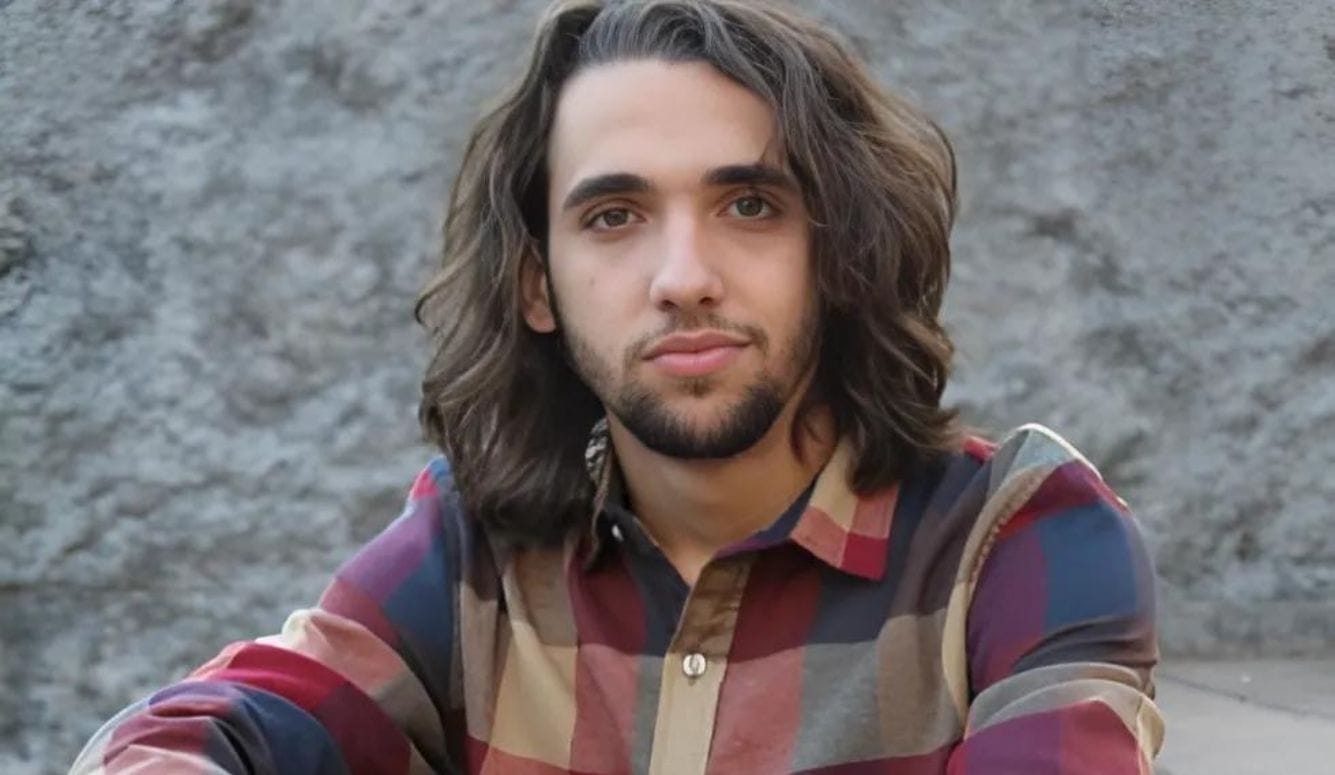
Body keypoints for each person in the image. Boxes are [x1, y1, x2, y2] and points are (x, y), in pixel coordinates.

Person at [71, 0, 1164, 772]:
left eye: (750, 206)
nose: (683, 278)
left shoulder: (1016, 542)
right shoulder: (476, 556)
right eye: (613, 216)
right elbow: (211, 727)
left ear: (838, 251)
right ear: (538, 285)